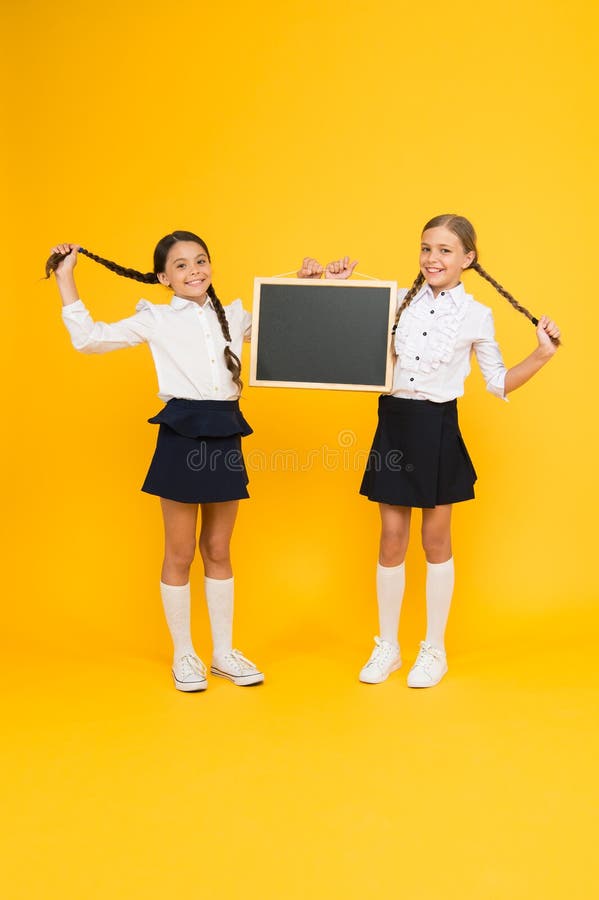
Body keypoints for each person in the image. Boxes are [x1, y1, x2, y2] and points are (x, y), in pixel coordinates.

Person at [46, 234, 323, 692]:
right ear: (163, 278)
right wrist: (66, 279)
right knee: (179, 552)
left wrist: (313, 282)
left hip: (226, 430)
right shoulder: (153, 318)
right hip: (181, 433)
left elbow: (295, 325)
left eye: (200, 261)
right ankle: (184, 654)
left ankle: (223, 653)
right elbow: (88, 340)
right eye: (180, 266)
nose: (194, 270)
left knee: (218, 548)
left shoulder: (234, 315)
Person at [317, 214, 561, 688]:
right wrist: (336, 287)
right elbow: (346, 344)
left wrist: (542, 354)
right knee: (390, 539)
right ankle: (387, 647)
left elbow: (496, 383)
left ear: (468, 259)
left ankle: (434, 648)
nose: (433, 258)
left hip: (437, 426)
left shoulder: (476, 315)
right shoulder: (396, 303)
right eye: (427, 248)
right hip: (394, 422)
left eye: (445, 250)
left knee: (435, 541)